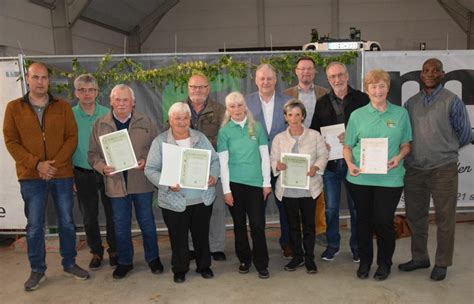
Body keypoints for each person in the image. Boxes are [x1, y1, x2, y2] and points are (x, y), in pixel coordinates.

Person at [3, 62, 89, 291]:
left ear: (49, 80)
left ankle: (69, 263)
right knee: (34, 226)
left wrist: (54, 165)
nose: (40, 81)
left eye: (44, 77)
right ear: (27, 79)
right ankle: (37, 270)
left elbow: (71, 137)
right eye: (35, 77)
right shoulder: (14, 108)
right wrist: (36, 164)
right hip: (31, 177)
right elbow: (11, 141)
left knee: (67, 222)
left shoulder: (62, 107)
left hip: (61, 174)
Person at [399, 58, 472, 281]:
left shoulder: (452, 101)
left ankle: (442, 262)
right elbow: (405, 136)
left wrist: (444, 148)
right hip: (415, 170)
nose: (430, 74)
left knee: (445, 218)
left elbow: (466, 134)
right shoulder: (410, 103)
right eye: (426, 71)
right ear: (420, 75)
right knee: (415, 216)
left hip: (443, 169)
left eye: (435, 71)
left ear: (442, 74)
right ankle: (420, 257)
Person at [88, 84, 163, 279]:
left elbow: (156, 148)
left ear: (133, 102)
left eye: (125, 100)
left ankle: (153, 258)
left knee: (147, 222)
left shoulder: (146, 121)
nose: (121, 104)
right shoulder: (100, 124)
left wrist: (146, 161)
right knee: (120, 225)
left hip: (141, 182)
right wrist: (102, 168)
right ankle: (124, 262)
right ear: (111, 102)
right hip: (116, 184)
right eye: (118, 100)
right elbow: (92, 154)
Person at [343, 69, 412, 281]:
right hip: (360, 178)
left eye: (382, 86)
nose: (378, 90)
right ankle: (365, 262)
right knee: (363, 221)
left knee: (383, 221)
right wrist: (349, 163)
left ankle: (384, 263)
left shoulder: (400, 114)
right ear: (367, 89)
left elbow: (406, 145)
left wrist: (398, 158)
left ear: (388, 88)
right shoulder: (357, 115)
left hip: (389, 178)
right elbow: (347, 146)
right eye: (373, 86)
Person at [145, 102, 220, 283]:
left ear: (189, 120)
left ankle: (204, 266)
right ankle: (180, 268)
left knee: (201, 235)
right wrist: (167, 183)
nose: (181, 121)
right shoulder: (160, 142)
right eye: (177, 118)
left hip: (201, 198)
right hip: (174, 200)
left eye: (185, 117)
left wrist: (213, 176)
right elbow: (150, 169)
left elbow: (215, 161)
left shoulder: (200, 138)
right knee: (178, 238)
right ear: (170, 120)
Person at [310, 62, 370, 262]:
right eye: (333, 76)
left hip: (355, 163)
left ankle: (357, 247)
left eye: (340, 75)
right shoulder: (322, 102)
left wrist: (353, 135)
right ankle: (333, 245)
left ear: (347, 76)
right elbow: (315, 130)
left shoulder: (363, 99)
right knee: (331, 208)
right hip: (332, 165)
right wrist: (322, 144)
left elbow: (371, 128)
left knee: (356, 208)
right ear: (328, 79)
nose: (337, 79)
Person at [218, 91, 272, 279]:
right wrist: (226, 191)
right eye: (232, 106)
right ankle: (244, 260)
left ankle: (261, 263)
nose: (237, 109)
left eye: (240, 105)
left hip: (256, 185)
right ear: (228, 110)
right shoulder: (224, 132)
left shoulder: (256, 128)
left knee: (257, 225)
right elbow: (223, 164)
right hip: (234, 186)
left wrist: (266, 183)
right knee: (239, 225)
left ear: (245, 106)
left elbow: (265, 157)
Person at [271, 99, 328, 274]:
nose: (294, 118)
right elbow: (273, 159)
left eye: (297, 114)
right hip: (288, 189)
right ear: (285, 117)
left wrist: (316, 167)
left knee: (309, 225)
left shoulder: (314, 135)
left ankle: (310, 258)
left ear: (303, 115)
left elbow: (323, 155)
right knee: (293, 225)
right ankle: (298, 257)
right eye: (290, 115)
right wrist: (277, 166)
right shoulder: (279, 138)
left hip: (309, 188)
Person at [246, 63, 292, 258]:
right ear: (256, 81)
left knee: (287, 206)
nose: (266, 82)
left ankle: (288, 242)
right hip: (256, 165)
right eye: (262, 78)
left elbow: (296, 131)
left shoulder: (289, 101)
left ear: (275, 80)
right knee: (257, 210)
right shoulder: (245, 103)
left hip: (283, 163)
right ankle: (258, 245)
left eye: (269, 78)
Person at [72, 74, 117, 270]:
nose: (87, 93)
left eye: (90, 90)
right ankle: (96, 251)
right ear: (76, 93)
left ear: (97, 92)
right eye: (82, 90)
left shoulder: (108, 113)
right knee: (89, 216)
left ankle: (114, 250)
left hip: (108, 172)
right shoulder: (69, 114)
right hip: (82, 173)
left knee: (112, 213)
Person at [284, 56, 329, 247]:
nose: (306, 72)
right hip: (293, 149)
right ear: (296, 71)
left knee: (317, 194)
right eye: (302, 69)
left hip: (316, 147)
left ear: (315, 71)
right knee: (292, 196)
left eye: (309, 69)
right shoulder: (286, 94)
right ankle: (293, 238)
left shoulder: (324, 93)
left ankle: (318, 231)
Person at [182, 74, 227, 261]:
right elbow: (169, 135)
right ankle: (193, 246)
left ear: (208, 89)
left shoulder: (219, 110)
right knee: (192, 209)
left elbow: (225, 139)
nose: (197, 91)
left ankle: (216, 247)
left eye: (201, 87)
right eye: (193, 87)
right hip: (187, 168)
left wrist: (203, 144)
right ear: (188, 88)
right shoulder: (179, 109)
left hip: (212, 167)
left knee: (216, 209)